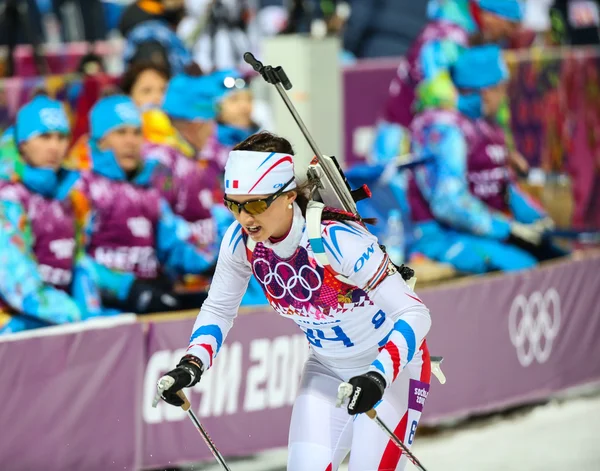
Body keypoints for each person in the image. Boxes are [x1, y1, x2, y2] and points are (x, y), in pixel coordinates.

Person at [156, 131, 433, 469]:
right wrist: (192, 364)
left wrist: (379, 374)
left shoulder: (336, 240)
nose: (245, 218)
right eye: (234, 204)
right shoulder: (241, 243)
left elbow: (415, 313)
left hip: (393, 368)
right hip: (327, 368)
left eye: (257, 203)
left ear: (288, 196)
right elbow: (218, 309)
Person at [408, 45, 563, 274]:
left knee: (559, 256)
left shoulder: (486, 125)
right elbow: (449, 203)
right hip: (444, 238)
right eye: (501, 89)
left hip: (486, 234)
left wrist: (537, 219)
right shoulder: (444, 130)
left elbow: (504, 185)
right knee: (527, 270)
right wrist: (507, 228)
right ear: (486, 91)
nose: (504, 96)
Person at [78, 94, 217, 313]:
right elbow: (75, 260)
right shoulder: (84, 189)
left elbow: (173, 244)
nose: (130, 141)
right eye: (120, 133)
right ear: (100, 140)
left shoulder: (149, 190)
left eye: (136, 133)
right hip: (107, 309)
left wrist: (215, 263)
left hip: (152, 297)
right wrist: (128, 289)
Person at [373, 0, 523, 164]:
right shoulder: (447, 35)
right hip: (402, 137)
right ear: (491, 17)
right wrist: (470, 104)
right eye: (508, 27)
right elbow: (434, 90)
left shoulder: (481, 39)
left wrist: (507, 149)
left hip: (439, 139)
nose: (509, 36)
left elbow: (497, 95)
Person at [0, 95, 102, 334]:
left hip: (61, 322)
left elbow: (78, 262)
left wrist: (92, 313)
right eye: (44, 137)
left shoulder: (69, 196)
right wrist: (75, 315)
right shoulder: (9, 200)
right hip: (13, 324)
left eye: (61, 137)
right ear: (23, 143)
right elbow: (15, 281)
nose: (54, 146)